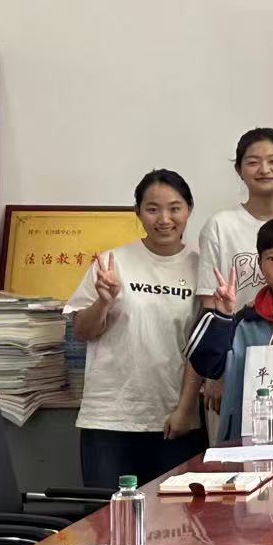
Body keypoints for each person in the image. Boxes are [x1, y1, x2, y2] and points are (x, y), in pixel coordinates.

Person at [65, 169, 205, 487]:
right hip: (110, 419)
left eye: (174, 208)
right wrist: (104, 303)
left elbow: (200, 347)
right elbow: (82, 331)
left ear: (189, 210)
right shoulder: (111, 262)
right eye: (152, 209)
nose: (164, 219)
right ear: (138, 212)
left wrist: (186, 409)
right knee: (109, 515)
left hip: (174, 419)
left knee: (174, 515)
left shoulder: (200, 268)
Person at [187, 215, 273, 442]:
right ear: (260, 264)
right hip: (245, 438)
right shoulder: (245, 321)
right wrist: (222, 316)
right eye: (272, 258)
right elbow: (207, 365)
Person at [196, 128, 273, 315]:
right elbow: (210, 303)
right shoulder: (220, 226)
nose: (264, 170)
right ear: (238, 170)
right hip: (238, 331)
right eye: (253, 162)